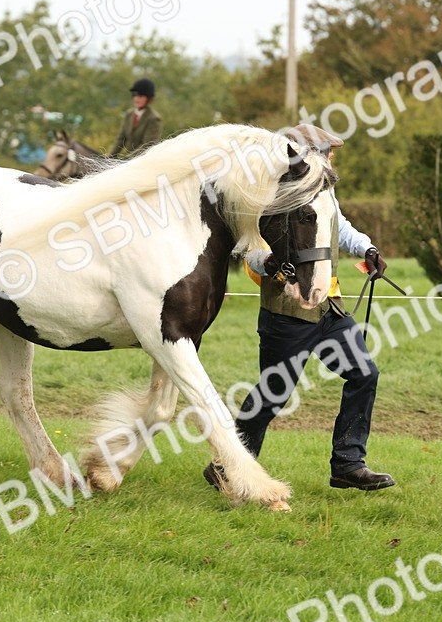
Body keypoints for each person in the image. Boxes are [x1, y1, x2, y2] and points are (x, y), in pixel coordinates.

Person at [204, 125, 394, 494]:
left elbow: (341, 229)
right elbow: (248, 251)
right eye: (326, 152)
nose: (331, 158)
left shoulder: (323, 191)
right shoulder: (270, 195)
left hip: (329, 309)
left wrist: (368, 249)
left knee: (364, 375)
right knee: (273, 394)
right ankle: (227, 467)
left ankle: (348, 465)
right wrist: (270, 262)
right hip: (284, 314)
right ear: (304, 155)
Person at [109, 78, 163, 157]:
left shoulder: (154, 119)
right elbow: (121, 139)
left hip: (143, 160)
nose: (136, 99)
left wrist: (127, 160)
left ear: (148, 98)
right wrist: (109, 158)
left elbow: (147, 145)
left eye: (140, 96)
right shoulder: (129, 114)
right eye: (134, 95)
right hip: (128, 159)